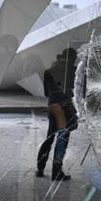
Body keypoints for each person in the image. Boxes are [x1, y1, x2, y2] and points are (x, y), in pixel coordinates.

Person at [35, 47, 77, 181]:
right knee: (62, 139)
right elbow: (78, 91)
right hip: (64, 107)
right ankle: (56, 170)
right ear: (73, 58)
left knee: (50, 137)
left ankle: (40, 167)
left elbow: (46, 93)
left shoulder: (49, 71)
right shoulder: (74, 71)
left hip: (52, 105)